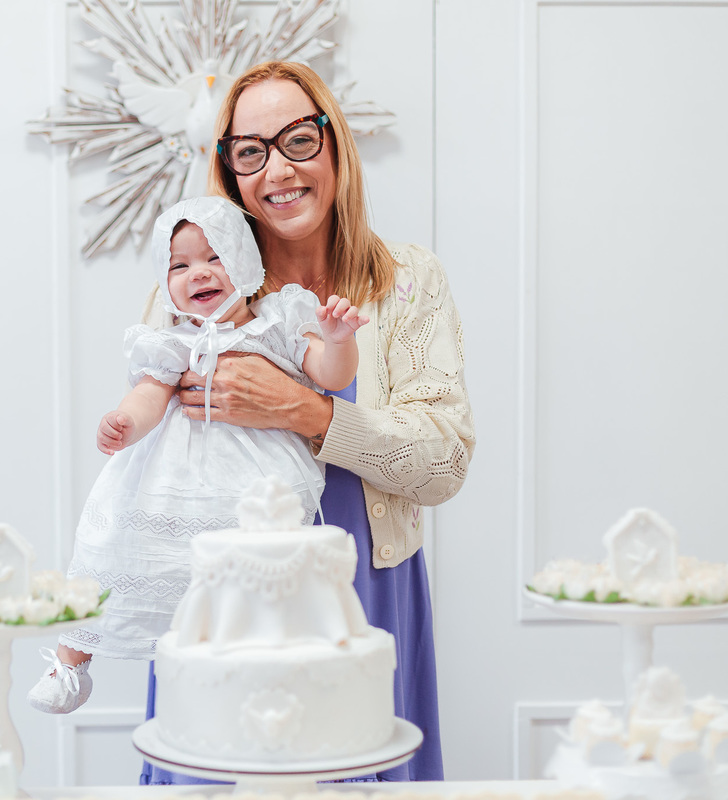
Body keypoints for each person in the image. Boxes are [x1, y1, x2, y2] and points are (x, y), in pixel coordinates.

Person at [139, 61, 475, 784]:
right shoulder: (193, 291)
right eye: (250, 150)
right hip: (224, 614)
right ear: (229, 169)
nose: (277, 170)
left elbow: (444, 461)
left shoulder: (406, 282)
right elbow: (150, 468)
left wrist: (309, 413)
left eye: (298, 139)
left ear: (334, 144)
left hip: (367, 597)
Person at [27, 195, 368, 715]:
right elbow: (148, 395)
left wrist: (338, 339)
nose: (199, 273)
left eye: (215, 257)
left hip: (253, 482)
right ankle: (71, 661)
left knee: (252, 575)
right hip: (171, 483)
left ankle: (256, 672)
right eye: (180, 264)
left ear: (246, 261)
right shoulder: (169, 343)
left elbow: (331, 375)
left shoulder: (276, 322)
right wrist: (125, 423)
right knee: (111, 547)